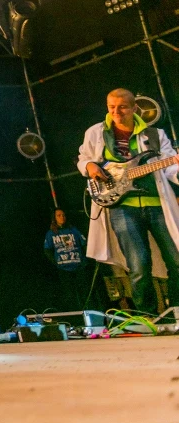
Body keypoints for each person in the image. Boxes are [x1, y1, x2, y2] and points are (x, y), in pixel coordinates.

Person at [78, 88, 179, 314]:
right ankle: (147, 315)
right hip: (122, 207)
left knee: (176, 259)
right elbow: (84, 158)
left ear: (135, 108)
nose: (116, 111)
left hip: (156, 203)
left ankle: (176, 310)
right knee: (139, 265)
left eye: (122, 107)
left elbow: (170, 164)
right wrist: (90, 166)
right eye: (111, 107)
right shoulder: (96, 133)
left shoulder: (155, 134)